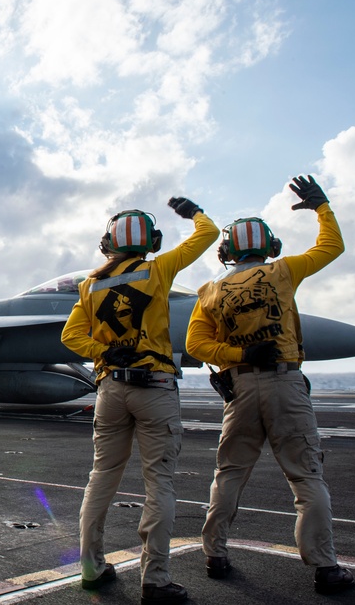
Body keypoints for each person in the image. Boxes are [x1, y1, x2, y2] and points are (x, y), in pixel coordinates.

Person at [185, 175, 354, 595]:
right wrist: (321, 207)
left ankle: (215, 555)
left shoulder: (209, 290)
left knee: (229, 472)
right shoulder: (283, 271)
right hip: (285, 384)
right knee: (306, 477)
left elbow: (195, 344)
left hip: (239, 390)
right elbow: (331, 247)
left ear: (226, 253)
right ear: (271, 247)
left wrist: (239, 356)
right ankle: (326, 568)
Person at [61, 197, 219, 605]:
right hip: (155, 387)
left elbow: (69, 337)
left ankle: (92, 568)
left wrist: (104, 352)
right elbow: (209, 235)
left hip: (110, 389)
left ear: (106, 243)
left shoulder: (90, 284)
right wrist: (193, 212)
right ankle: (156, 579)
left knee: (101, 479)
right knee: (159, 483)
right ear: (152, 241)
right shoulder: (158, 268)